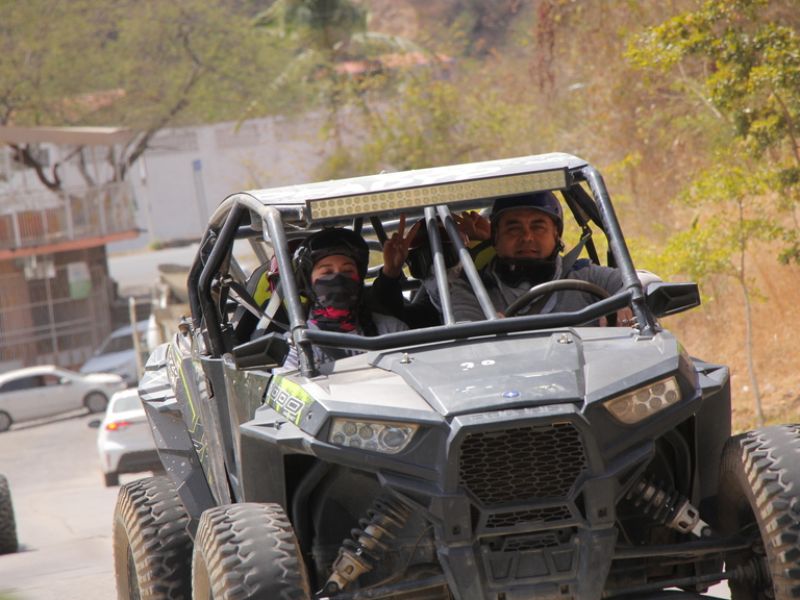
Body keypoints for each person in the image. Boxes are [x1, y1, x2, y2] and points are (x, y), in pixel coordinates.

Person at [449, 191, 632, 323]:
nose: (527, 237)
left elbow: (642, 281)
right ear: (495, 238)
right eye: (514, 228)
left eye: (538, 227)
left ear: (556, 236)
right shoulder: (472, 288)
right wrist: (486, 333)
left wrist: (622, 304)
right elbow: (467, 336)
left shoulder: (586, 276)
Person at [281, 227, 408, 372]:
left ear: (359, 279)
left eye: (348, 271)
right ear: (308, 283)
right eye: (327, 272)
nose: (339, 279)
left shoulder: (392, 330)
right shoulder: (295, 345)